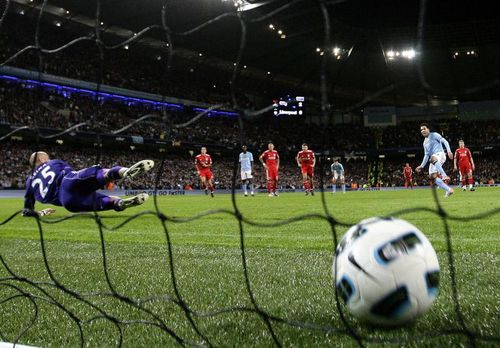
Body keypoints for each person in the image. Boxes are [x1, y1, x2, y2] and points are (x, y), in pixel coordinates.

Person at [22, 151, 153, 217]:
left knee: (102, 201)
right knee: (99, 173)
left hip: (68, 202)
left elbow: (27, 211)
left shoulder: (29, 182)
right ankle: (124, 172)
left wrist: (41, 213)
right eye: (47, 157)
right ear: (42, 159)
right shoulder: (53, 162)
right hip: (68, 182)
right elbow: (72, 173)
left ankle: (119, 203)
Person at [415, 123, 454, 197]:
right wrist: (421, 166)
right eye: (421, 130)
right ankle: (448, 190)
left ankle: (444, 175)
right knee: (432, 177)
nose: (423, 131)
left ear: (428, 129)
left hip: (440, 154)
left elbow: (445, 141)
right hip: (434, 159)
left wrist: (449, 151)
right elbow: (426, 155)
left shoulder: (434, 135)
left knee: (432, 158)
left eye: (424, 128)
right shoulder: (424, 143)